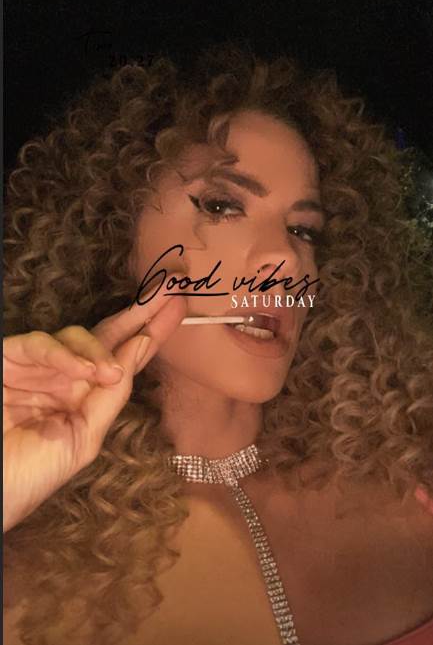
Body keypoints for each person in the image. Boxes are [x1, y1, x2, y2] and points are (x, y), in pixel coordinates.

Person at [3, 46, 433, 645]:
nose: (285, 260)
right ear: (112, 234)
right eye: (223, 205)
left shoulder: (408, 464)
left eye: (303, 229)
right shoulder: (25, 552)